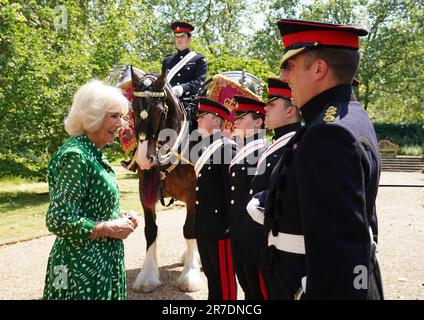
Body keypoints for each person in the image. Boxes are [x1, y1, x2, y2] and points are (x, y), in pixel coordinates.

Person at [262, 19, 384, 300]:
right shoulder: (347, 116)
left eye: (290, 65)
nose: (284, 76)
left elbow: (340, 249)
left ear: (319, 69)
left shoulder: (328, 134)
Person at [43, 80, 139, 300]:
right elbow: (59, 220)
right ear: (92, 116)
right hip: (79, 269)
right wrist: (107, 227)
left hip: (96, 265)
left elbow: (88, 206)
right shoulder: (76, 156)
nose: (121, 124)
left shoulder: (91, 153)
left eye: (122, 117)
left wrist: (119, 217)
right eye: (114, 116)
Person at [243, 78, 302, 298]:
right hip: (257, 244)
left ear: (291, 110)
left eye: (272, 103)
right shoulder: (277, 142)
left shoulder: (295, 143)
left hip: (273, 247)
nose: (265, 108)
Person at [194, 97, 237, 300]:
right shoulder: (202, 149)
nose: (198, 120)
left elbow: (231, 192)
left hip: (221, 227)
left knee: (224, 280)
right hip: (204, 225)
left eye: (202, 116)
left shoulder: (226, 149)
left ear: (216, 121)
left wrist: (229, 225)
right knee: (211, 277)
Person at [228, 96, 269, 299]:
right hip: (239, 232)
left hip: (254, 236)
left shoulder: (263, 150)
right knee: (247, 289)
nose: (235, 121)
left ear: (259, 122)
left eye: (242, 117)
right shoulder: (243, 152)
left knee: (258, 291)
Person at [162, 21, 208, 124]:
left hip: (188, 105)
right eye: (176, 36)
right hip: (167, 103)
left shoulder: (198, 59)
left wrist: (182, 88)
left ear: (189, 39)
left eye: (182, 36)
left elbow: (199, 82)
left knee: (196, 129)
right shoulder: (167, 60)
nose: (178, 40)